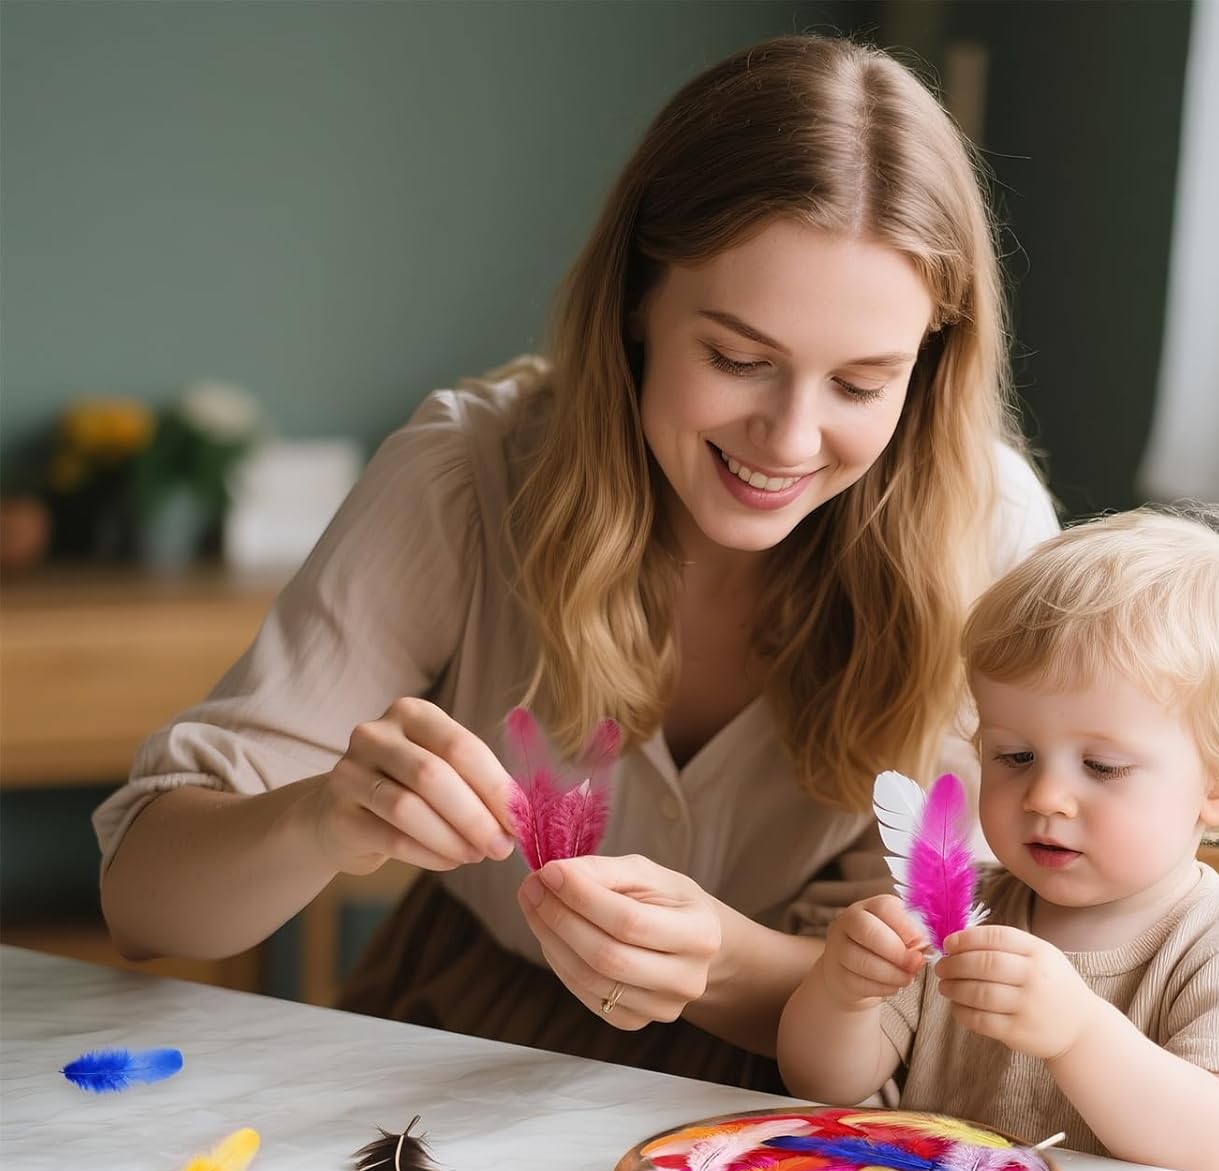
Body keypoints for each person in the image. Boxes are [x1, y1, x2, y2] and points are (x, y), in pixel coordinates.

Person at [93, 35, 1058, 1092]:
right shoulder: (463, 480)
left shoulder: (992, 537)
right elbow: (145, 905)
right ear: (637, 304)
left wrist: (722, 965)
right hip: (458, 1049)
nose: (788, 439)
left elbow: (949, 992)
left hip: (797, 1101)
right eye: (738, 359)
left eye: (863, 385)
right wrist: (321, 813)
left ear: (930, 366)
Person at [778, 505, 1219, 1171]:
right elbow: (821, 1082)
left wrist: (1078, 1033)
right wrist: (841, 993)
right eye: (1015, 755)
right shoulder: (955, 911)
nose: (1045, 797)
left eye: (1101, 768)